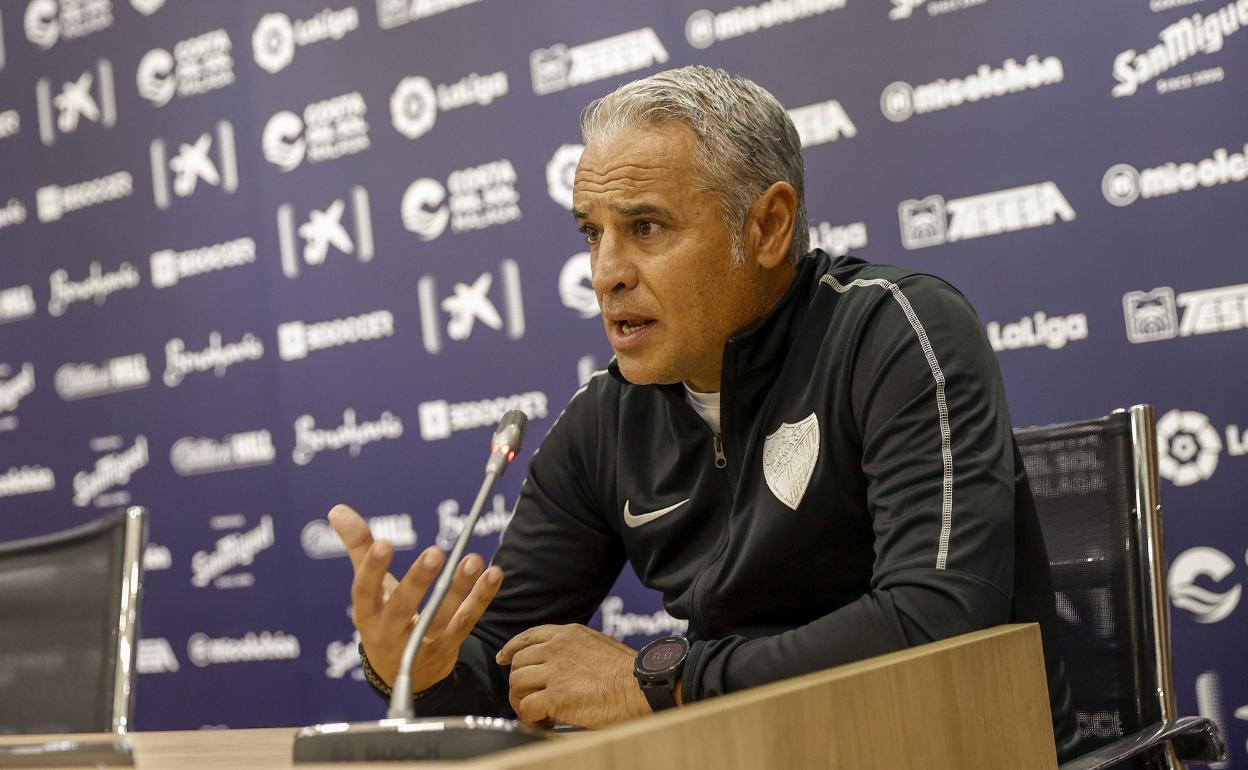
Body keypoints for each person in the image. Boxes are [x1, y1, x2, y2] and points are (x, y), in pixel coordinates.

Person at [329, 65, 1079, 759]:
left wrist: (663, 682)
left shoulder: (895, 334)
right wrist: (419, 668)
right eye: (594, 233)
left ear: (767, 228)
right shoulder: (604, 422)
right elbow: (497, 666)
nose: (606, 274)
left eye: (646, 228)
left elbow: (940, 626)